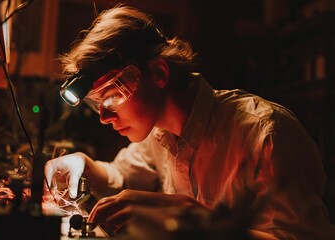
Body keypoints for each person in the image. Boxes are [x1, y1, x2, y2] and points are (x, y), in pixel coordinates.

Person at [44, 5, 335, 239]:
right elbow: (121, 177)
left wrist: (194, 219)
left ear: (159, 74)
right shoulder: (156, 133)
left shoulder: (265, 133)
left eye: (112, 96)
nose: (105, 118)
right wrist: (83, 165)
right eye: (97, 104)